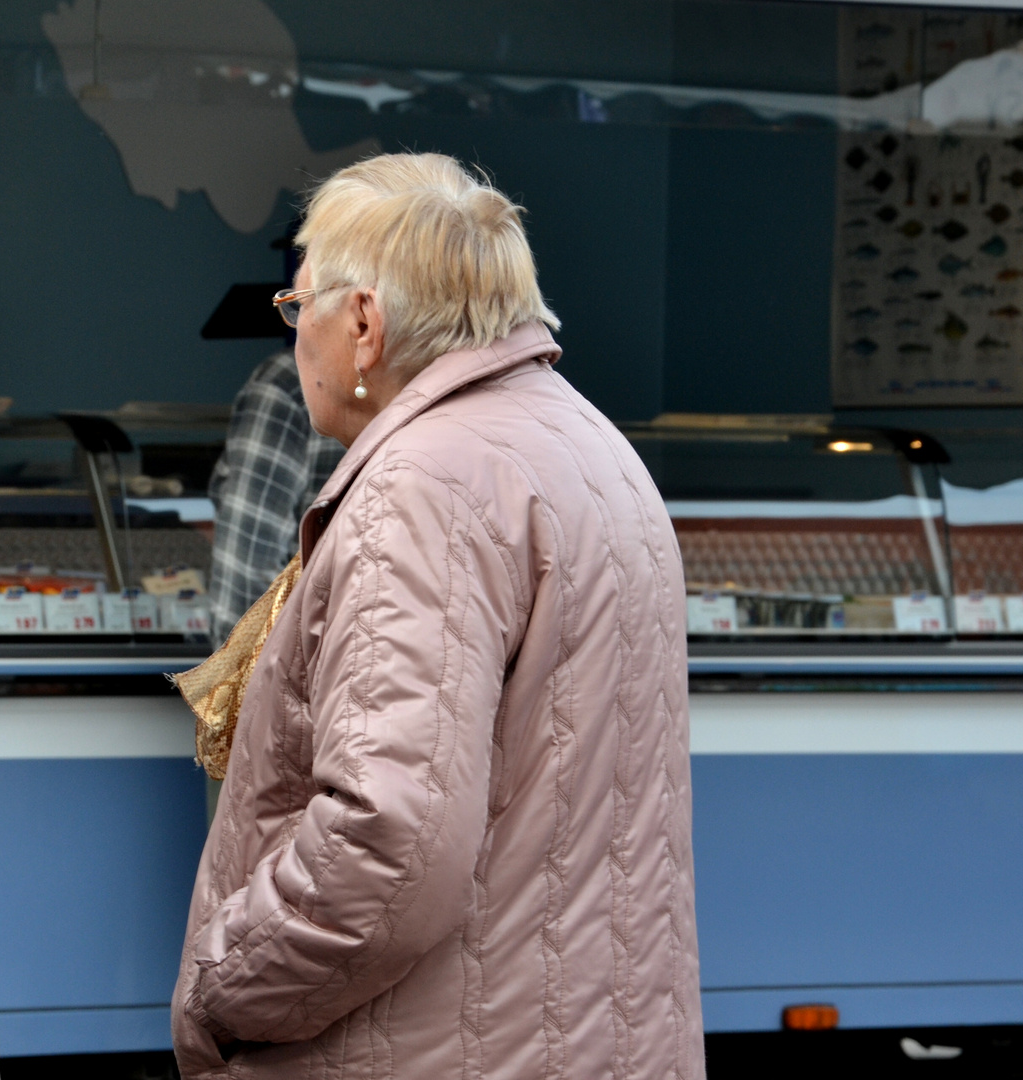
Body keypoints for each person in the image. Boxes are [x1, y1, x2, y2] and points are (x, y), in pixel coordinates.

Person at [172, 154, 704, 1078]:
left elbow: (385, 847)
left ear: (365, 324)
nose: (294, 338)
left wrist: (220, 987)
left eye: (299, 310)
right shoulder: (593, 447)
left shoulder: (422, 486)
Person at [207, 348, 344, 640]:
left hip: (314, 667)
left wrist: (235, 677)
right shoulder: (451, 385)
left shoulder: (291, 382)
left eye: (296, 304)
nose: (296, 320)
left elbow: (245, 580)